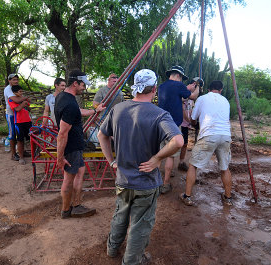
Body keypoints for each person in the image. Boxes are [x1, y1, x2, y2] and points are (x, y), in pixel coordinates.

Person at [98, 69, 183, 265]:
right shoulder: (160, 114)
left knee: (120, 214)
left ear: (136, 87)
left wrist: (112, 160)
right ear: (154, 88)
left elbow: (102, 135)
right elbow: (178, 141)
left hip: (123, 179)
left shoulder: (117, 109)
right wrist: (157, 158)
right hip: (146, 182)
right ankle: (132, 261)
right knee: (140, 225)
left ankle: (112, 249)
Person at [55, 69, 106, 219]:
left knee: (80, 172)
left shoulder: (64, 97)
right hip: (70, 147)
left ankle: (76, 205)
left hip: (75, 145)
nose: (85, 88)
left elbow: (79, 112)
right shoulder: (69, 104)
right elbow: (62, 134)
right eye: (83, 84)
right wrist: (60, 157)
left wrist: (95, 110)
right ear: (76, 83)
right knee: (68, 178)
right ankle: (66, 210)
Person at [180, 80, 233, 207]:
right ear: (221, 90)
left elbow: (193, 119)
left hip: (209, 135)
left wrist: (195, 124)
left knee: (193, 165)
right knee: (225, 168)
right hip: (225, 135)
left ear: (209, 89)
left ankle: (187, 196)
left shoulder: (202, 98)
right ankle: (228, 198)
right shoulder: (225, 101)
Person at [157, 65, 200, 194]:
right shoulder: (179, 85)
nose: (181, 80)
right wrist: (197, 87)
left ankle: (154, 183)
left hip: (160, 124)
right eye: (181, 78)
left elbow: (177, 98)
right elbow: (192, 97)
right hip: (174, 125)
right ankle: (165, 183)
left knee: (158, 155)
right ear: (178, 75)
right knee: (171, 156)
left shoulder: (161, 87)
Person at [4, 74, 29, 161]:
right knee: (12, 134)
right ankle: (13, 154)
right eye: (14, 80)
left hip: (19, 116)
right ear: (9, 80)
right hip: (11, 114)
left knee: (21, 135)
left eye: (17, 80)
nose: (16, 81)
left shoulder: (16, 88)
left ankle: (22, 151)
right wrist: (25, 98)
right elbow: (17, 100)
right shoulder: (8, 89)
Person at [8, 85, 32, 165]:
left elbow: (28, 107)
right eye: (20, 92)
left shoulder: (22, 99)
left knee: (31, 138)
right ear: (14, 93)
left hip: (28, 121)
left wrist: (27, 105)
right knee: (20, 140)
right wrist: (24, 103)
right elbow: (17, 109)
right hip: (19, 122)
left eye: (22, 91)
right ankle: (21, 157)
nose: (22, 93)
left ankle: (34, 154)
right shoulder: (11, 100)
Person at [177, 79, 197, 172]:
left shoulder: (191, 98)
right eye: (196, 87)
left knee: (185, 144)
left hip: (186, 124)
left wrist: (193, 119)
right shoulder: (184, 93)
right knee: (176, 145)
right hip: (180, 123)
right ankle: (170, 166)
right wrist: (189, 120)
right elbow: (182, 110)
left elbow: (190, 110)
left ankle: (181, 162)